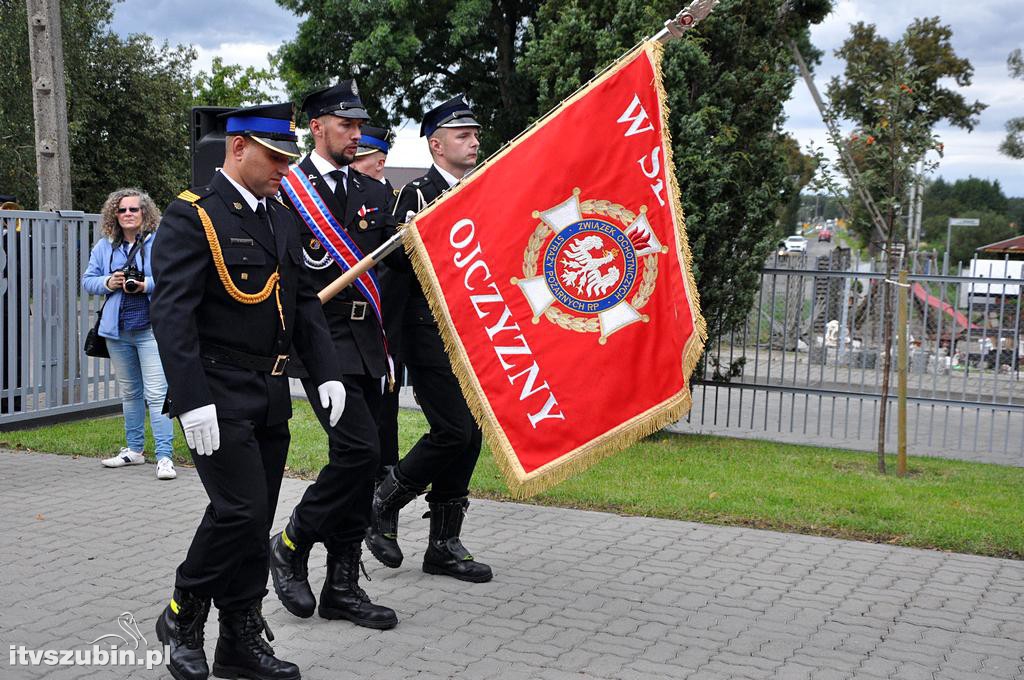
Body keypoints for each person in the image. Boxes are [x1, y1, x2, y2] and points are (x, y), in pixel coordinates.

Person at [150, 102, 345, 680]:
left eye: (289, 156)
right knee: (239, 511)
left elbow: (305, 300)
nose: (286, 166)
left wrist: (325, 371)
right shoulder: (194, 216)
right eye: (275, 156)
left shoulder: (280, 215)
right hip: (215, 388)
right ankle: (183, 613)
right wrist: (190, 399)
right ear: (238, 148)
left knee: (253, 517)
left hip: (269, 388)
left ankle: (238, 639)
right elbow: (172, 315)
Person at [269, 81, 400, 630]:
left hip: (368, 341)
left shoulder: (372, 192)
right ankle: (293, 539)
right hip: (322, 343)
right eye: (345, 125)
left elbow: (391, 268)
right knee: (358, 454)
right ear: (317, 128)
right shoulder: (288, 191)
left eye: (359, 126)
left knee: (367, 464)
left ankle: (342, 587)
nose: (356, 135)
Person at [365, 95, 493, 583]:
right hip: (428, 331)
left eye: (475, 133)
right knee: (453, 430)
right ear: (436, 145)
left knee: (473, 433)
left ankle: (443, 543)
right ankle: (387, 496)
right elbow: (393, 264)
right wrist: (421, 234)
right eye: (463, 135)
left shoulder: (483, 188)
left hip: (474, 330)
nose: (474, 141)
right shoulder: (416, 195)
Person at [81, 188, 176, 480]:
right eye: (122, 210)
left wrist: (144, 284)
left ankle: (164, 457)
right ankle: (134, 451)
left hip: (150, 329)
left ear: (145, 213)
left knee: (157, 393)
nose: (128, 215)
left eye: (134, 209)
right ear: (115, 214)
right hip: (117, 331)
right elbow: (88, 280)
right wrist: (109, 281)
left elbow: (172, 278)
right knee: (131, 393)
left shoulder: (159, 242)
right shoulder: (105, 246)